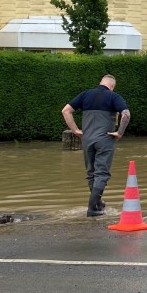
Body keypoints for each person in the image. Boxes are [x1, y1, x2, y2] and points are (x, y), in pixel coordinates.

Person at [62, 74, 130, 217]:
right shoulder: (114, 97)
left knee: (91, 173)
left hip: (87, 139)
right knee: (102, 173)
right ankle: (92, 208)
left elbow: (65, 111)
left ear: (100, 82)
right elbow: (126, 115)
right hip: (105, 139)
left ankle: (98, 203)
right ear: (112, 86)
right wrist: (119, 133)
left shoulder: (86, 94)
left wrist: (75, 130)